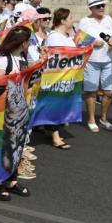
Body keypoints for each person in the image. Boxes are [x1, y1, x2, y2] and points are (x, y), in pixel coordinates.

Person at [0, 26, 34, 199]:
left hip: (18, 111)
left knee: (15, 146)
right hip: (3, 111)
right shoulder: (2, 60)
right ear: (23, 43)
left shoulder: (21, 57)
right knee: (0, 146)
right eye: (28, 41)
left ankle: (11, 180)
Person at [80, 0, 112, 132]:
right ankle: (91, 119)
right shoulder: (85, 21)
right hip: (92, 61)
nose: (102, 8)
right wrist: (92, 42)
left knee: (109, 91)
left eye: (103, 5)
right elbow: (79, 41)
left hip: (108, 60)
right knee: (91, 91)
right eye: (98, 6)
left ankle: (103, 118)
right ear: (91, 8)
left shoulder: (108, 19)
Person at [43, 8, 77, 149]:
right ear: (63, 20)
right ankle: (56, 137)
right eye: (70, 17)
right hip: (56, 78)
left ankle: (49, 129)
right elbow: (57, 57)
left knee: (60, 105)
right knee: (55, 105)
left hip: (67, 77)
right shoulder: (54, 37)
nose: (72, 19)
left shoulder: (67, 37)